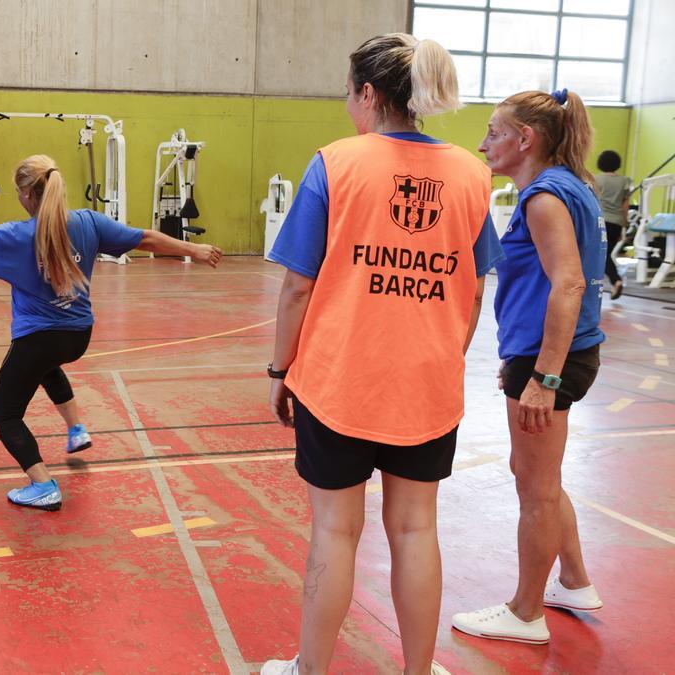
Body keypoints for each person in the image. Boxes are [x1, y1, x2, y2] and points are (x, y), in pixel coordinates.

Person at [262, 34, 502, 675]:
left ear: (368, 93)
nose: (348, 104)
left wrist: (281, 370)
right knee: (416, 529)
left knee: (336, 531)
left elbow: (297, 286)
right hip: (427, 384)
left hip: (339, 381)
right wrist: (442, 354)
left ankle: (310, 671)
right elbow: (474, 290)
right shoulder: (473, 174)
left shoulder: (336, 163)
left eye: (349, 92)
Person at [0, 154, 222, 511]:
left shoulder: (16, 235)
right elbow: (146, 239)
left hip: (38, 339)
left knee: (6, 414)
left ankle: (43, 484)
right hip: (78, 336)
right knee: (47, 367)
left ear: (27, 195)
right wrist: (194, 249)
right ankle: (76, 429)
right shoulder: (89, 222)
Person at [452, 88, 606, 645]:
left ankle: (525, 612)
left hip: (553, 361)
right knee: (537, 476)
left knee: (536, 488)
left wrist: (542, 377)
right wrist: (524, 362)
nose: (483, 143)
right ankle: (574, 579)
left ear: (526, 139)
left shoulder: (544, 197)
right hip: (546, 353)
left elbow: (569, 283)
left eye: (493, 132)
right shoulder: (570, 187)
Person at [594, 150, 630, 300]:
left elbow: (592, 201)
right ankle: (615, 281)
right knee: (605, 254)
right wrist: (624, 225)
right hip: (616, 222)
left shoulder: (596, 179)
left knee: (599, 254)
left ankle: (615, 280)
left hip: (600, 221)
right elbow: (625, 205)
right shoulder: (624, 181)